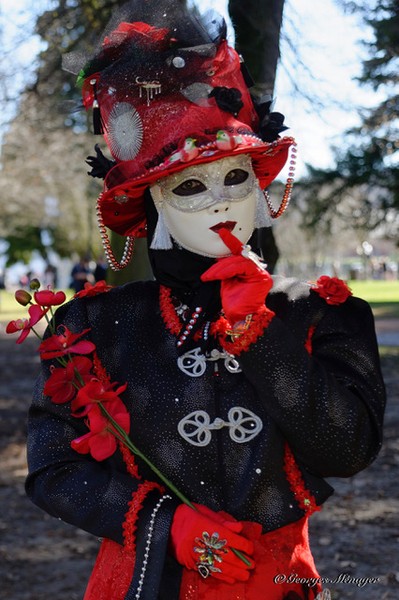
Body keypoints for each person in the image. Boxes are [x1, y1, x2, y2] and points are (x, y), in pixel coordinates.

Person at [25, 2, 385, 599]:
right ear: (154, 203)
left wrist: (263, 335)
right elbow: (53, 468)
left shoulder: (322, 311)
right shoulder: (97, 324)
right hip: (144, 582)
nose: (222, 203)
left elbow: (347, 450)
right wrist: (165, 526)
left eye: (237, 177)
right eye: (191, 185)